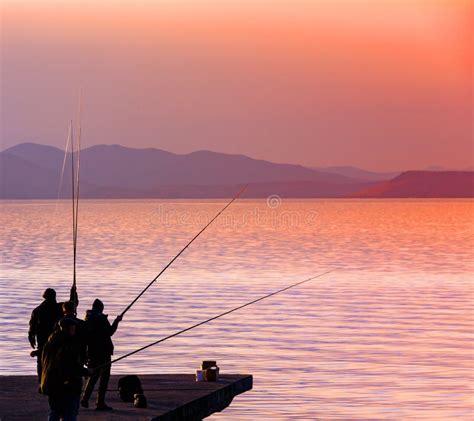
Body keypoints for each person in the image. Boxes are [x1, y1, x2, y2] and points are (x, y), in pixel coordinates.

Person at [40, 317, 88, 421]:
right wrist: (85, 371)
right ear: (69, 328)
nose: (74, 329)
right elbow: (70, 365)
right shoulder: (69, 344)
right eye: (73, 327)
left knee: (55, 411)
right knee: (70, 412)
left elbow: (45, 363)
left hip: (51, 384)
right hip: (67, 385)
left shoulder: (49, 343)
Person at [28, 286, 78, 381]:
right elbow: (73, 304)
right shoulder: (58, 307)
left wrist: (31, 337)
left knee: (42, 359)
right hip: (56, 338)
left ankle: (42, 380)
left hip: (43, 338)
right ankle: (50, 379)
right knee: (54, 359)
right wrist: (73, 292)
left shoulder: (37, 310)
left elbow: (32, 326)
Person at [81, 299, 122, 411]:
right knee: (104, 378)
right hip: (103, 352)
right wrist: (117, 321)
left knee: (93, 376)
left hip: (92, 352)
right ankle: (100, 402)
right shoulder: (101, 319)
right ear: (101, 308)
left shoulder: (87, 318)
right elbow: (110, 332)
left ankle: (85, 398)